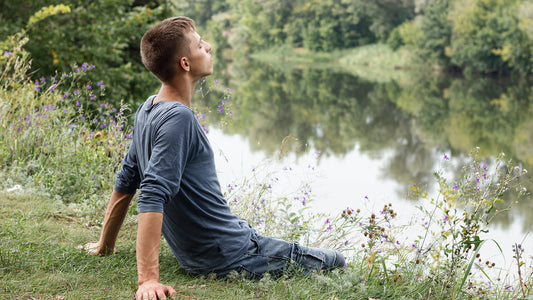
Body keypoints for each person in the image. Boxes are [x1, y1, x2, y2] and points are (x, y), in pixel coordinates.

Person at [84, 16, 345, 300]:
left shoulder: (148, 109)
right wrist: (147, 280)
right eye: (199, 44)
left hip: (208, 251)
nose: (208, 47)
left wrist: (105, 244)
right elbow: (151, 193)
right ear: (185, 63)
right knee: (335, 261)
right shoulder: (178, 117)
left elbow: (127, 179)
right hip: (229, 254)